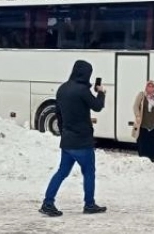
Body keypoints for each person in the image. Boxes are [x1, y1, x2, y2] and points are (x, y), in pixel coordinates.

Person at [40, 60, 107, 217]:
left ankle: (47, 202)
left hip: (68, 141)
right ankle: (89, 204)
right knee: (89, 172)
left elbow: (59, 113)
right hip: (83, 141)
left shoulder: (62, 89)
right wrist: (101, 92)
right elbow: (97, 106)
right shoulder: (82, 91)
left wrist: (64, 133)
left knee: (61, 172)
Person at [132, 81, 154, 162]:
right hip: (143, 125)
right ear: (146, 87)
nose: (150, 88)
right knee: (143, 144)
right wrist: (137, 115)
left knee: (152, 145)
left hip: (153, 126)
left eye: (152, 87)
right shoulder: (141, 95)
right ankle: (143, 160)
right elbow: (135, 106)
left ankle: (151, 161)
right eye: (149, 86)